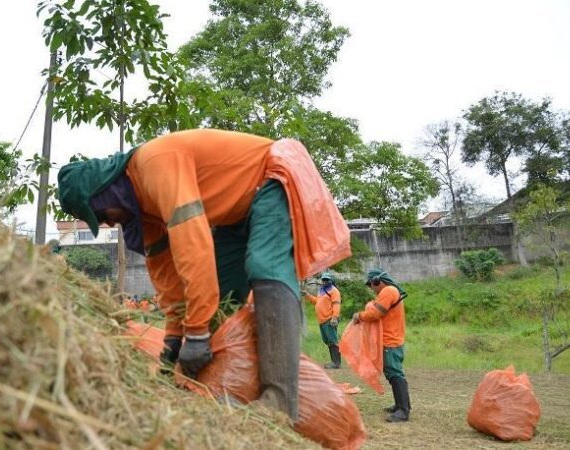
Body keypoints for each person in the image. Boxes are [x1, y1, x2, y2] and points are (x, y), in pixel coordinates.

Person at [56, 129, 350, 421]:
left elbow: (193, 246)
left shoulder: (155, 163)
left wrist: (196, 334)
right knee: (220, 297)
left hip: (272, 178)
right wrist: (174, 338)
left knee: (265, 266)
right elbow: (167, 276)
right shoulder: (142, 210)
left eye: (101, 214)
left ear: (105, 191)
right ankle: (234, 386)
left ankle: (280, 399)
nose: (107, 223)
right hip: (234, 213)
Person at [352, 269, 411, 422]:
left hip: (390, 341)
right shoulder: (389, 292)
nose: (371, 288)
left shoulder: (389, 291)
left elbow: (375, 314)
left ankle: (403, 410)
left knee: (395, 374)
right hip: (389, 340)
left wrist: (360, 315)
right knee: (392, 374)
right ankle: (399, 405)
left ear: (378, 281)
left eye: (371, 284)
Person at [303, 272, 342, 369]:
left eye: (327, 279)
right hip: (322, 320)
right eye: (323, 279)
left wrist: (335, 317)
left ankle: (336, 362)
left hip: (329, 319)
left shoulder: (334, 291)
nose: (324, 281)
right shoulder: (322, 290)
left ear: (331, 280)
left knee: (333, 340)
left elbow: (336, 304)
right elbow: (317, 302)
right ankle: (333, 361)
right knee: (328, 341)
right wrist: (307, 295)